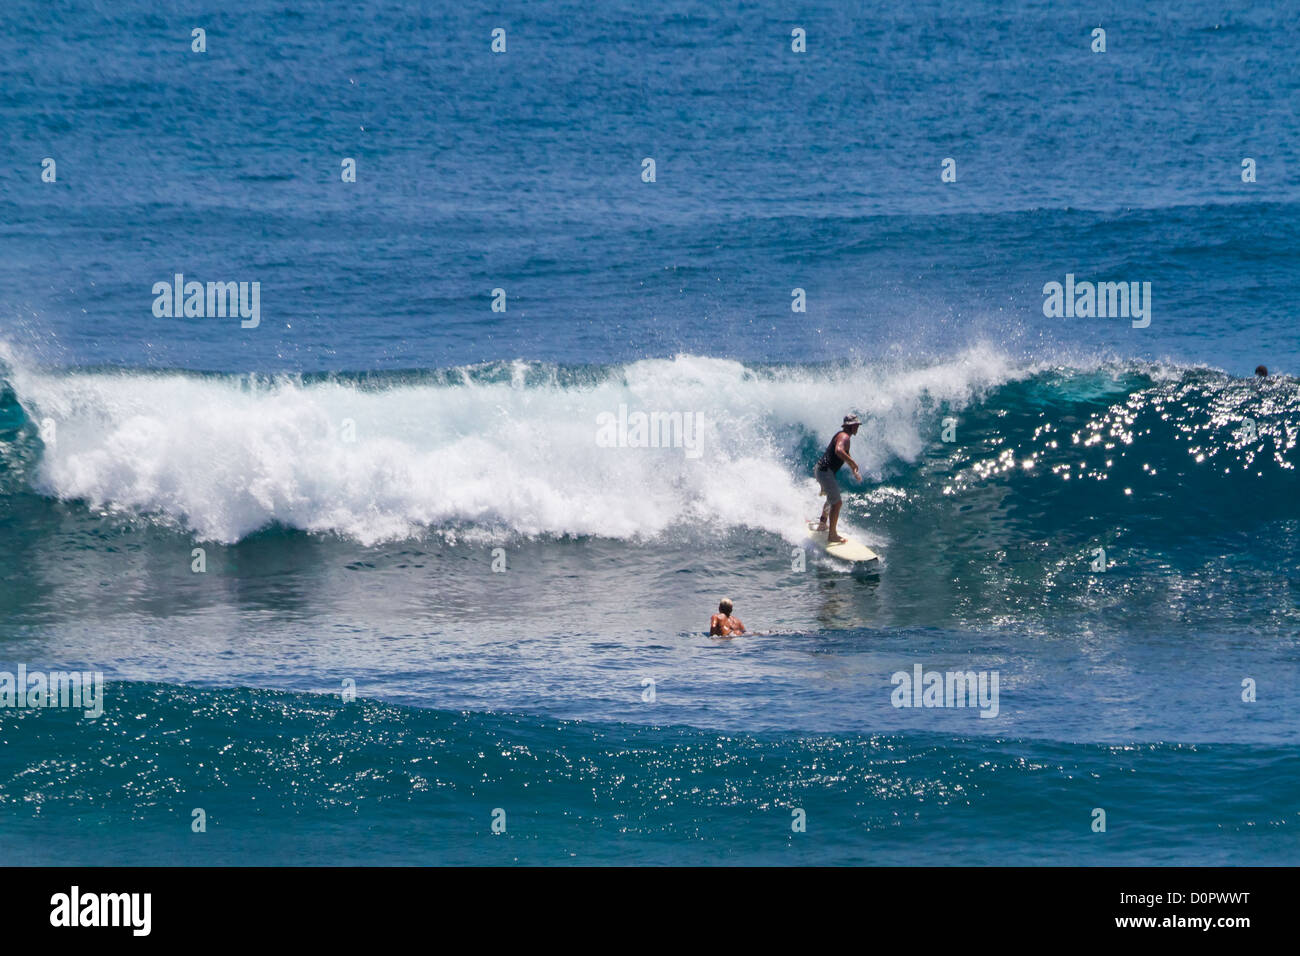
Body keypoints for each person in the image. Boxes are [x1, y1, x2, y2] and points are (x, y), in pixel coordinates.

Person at [814, 414, 862, 543]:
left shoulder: (841, 435)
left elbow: (845, 454)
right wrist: (853, 463)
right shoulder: (844, 437)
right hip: (825, 472)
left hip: (820, 470)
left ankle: (822, 524)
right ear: (850, 427)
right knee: (837, 502)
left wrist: (854, 469)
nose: (857, 427)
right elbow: (839, 450)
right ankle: (832, 535)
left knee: (831, 498)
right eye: (856, 425)